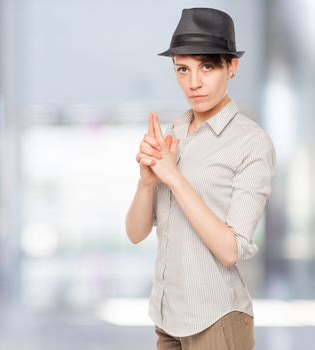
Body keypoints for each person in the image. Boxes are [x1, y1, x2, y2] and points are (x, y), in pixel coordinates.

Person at [125, 8, 276, 350]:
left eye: (207, 67)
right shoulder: (175, 132)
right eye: (183, 69)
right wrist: (147, 181)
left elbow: (229, 251)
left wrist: (174, 177)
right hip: (167, 319)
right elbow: (135, 233)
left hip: (217, 319)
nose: (194, 82)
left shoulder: (251, 143)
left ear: (231, 67)